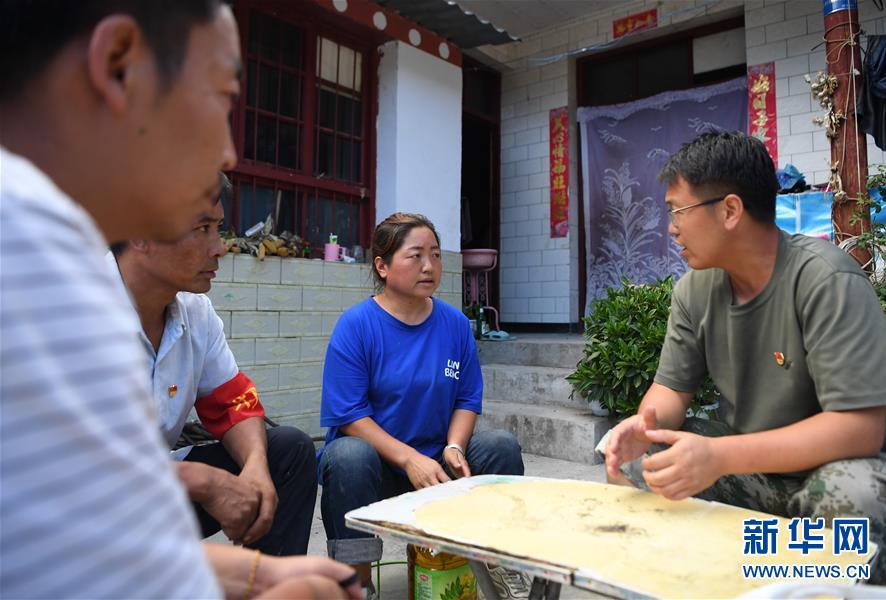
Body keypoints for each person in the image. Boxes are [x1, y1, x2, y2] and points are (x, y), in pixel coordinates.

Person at [0, 2, 360, 598]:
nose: (226, 149)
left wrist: (262, 569)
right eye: (219, 99)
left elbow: (89, 525)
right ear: (119, 66)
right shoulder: (32, 251)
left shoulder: (54, 242)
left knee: (284, 447)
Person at [603, 131, 886, 585]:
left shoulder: (825, 280)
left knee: (855, 496)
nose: (671, 227)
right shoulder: (694, 291)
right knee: (656, 459)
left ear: (730, 211)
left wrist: (719, 455)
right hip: (758, 467)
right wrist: (642, 426)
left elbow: (858, 428)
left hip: (841, 466)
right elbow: (671, 391)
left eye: (678, 211)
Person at [111, 174, 317, 556]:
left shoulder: (195, 313)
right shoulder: (72, 308)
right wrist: (203, 481)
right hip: (78, 506)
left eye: (217, 229)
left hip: (156, 489)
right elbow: (75, 464)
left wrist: (255, 466)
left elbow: (232, 402)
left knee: (287, 451)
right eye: (202, 229)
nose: (219, 248)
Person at [318, 212, 525, 587]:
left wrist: (455, 447)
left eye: (436, 255)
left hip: (437, 462)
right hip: (377, 468)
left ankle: (501, 569)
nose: (429, 266)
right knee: (347, 455)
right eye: (415, 256)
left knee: (499, 447)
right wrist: (408, 458)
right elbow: (349, 416)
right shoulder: (357, 326)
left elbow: (466, 397)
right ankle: (355, 584)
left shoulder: (455, 324)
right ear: (382, 266)